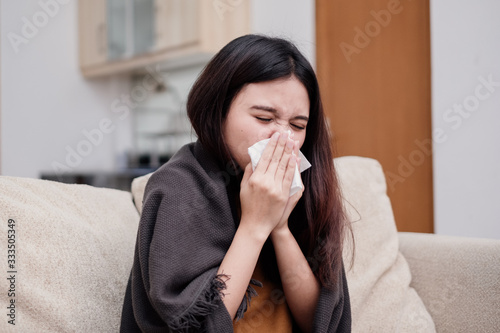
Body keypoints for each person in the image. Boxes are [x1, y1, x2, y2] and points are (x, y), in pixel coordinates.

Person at [120, 34, 351, 333]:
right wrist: (254, 225)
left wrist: (279, 227)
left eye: (297, 126)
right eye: (264, 118)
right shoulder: (178, 187)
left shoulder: (304, 188)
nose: (282, 138)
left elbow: (321, 323)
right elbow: (192, 325)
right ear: (219, 111)